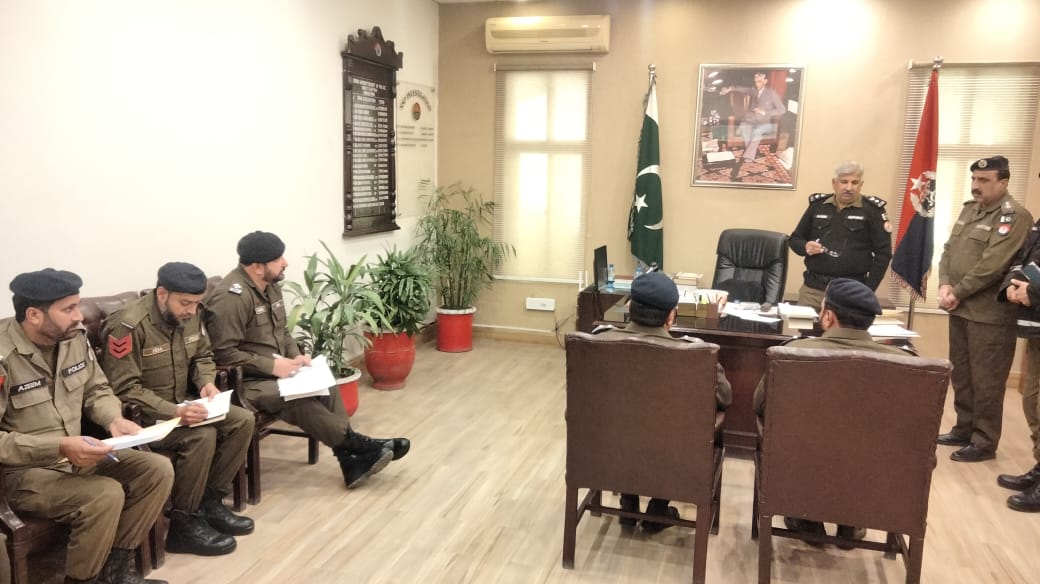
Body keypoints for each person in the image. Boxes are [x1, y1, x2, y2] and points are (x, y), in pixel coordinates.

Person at [0, 269, 173, 584]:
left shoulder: (73, 339)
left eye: (77, 306)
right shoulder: (4, 357)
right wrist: (59, 446)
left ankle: (114, 572)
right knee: (104, 495)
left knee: (157, 470)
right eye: (68, 309)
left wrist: (112, 419)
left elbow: (97, 390)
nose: (79, 316)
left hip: (77, 454)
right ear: (34, 315)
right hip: (23, 473)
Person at [203, 231, 410, 489]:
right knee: (299, 400)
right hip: (245, 382)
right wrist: (272, 366)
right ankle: (358, 446)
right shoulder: (231, 298)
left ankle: (350, 459)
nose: (285, 263)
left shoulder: (271, 285)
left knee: (325, 381)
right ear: (257, 267)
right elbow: (222, 354)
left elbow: (282, 332)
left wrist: (295, 356)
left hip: (276, 372)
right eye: (277, 259)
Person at [101, 262, 256, 556]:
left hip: (184, 406)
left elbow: (203, 356)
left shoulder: (192, 316)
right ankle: (183, 525)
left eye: (196, 303)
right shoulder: (128, 326)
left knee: (242, 420)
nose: (191, 311)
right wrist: (172, 411)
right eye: (185, 303)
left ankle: (208, 503)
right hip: (144, 418)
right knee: (201, 436)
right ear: (162, 294)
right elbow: (124, 389)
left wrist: (206, 383)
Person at [753, 277, 908, 548]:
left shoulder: (791, 353)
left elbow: (760, 404)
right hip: (872, 479)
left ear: (827, 317)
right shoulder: (906, 364)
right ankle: (850, 522)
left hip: (804, 470)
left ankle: (807, 517)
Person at [592, 271, 732, 533]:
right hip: (669, 458)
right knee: (666, 428)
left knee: (625, 421)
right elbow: (725, 397)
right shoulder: (695, 354)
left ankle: (628, 501)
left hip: (608, 452)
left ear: (629, 308)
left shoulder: (596, 343)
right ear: (671, 316)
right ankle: (657, 509)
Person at [937, 156, 1032, 462]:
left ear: (1003, 183)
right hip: (959, 307)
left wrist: (957, 292)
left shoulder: (1014, 216)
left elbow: (993, 264)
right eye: (974, 179)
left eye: (984, 180)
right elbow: (949, 251)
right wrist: (944, 284)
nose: (976, 186)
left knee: (987, 380)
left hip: (989, 315)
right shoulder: (970, 209)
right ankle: (964, 428)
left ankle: (984, 440)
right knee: (962, 376)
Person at [788, 161, 892, 309]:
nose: (849, 188)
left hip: (851, 291)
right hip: (813, 290)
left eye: (854, 182)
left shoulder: (872, 210)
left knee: (845, 326)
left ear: (861, 185)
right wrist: (805, 247)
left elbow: (884, 254)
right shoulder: (818, 206)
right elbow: (795, 239)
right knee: (804, 324)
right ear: (834, 183)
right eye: (844, 182)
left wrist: (868, 290)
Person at [997, 216, 1040, 511]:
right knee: (1031, 401)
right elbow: (1022, 259)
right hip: (1035, 326)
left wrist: (1033, 292)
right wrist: (1012, 287)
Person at [720, 72, 786, 165]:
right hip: (750, 120)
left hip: (764, 123)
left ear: (765, 81)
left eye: (759, 81)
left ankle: (748, 156)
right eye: (755, 81)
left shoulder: (771, 94)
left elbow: (782, 110)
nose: (756, 84)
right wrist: (730, 89)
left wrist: (765, 112)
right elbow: (741, 89)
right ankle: (751, 151)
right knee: (744, 127)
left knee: (757, 132)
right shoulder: (753, 90)